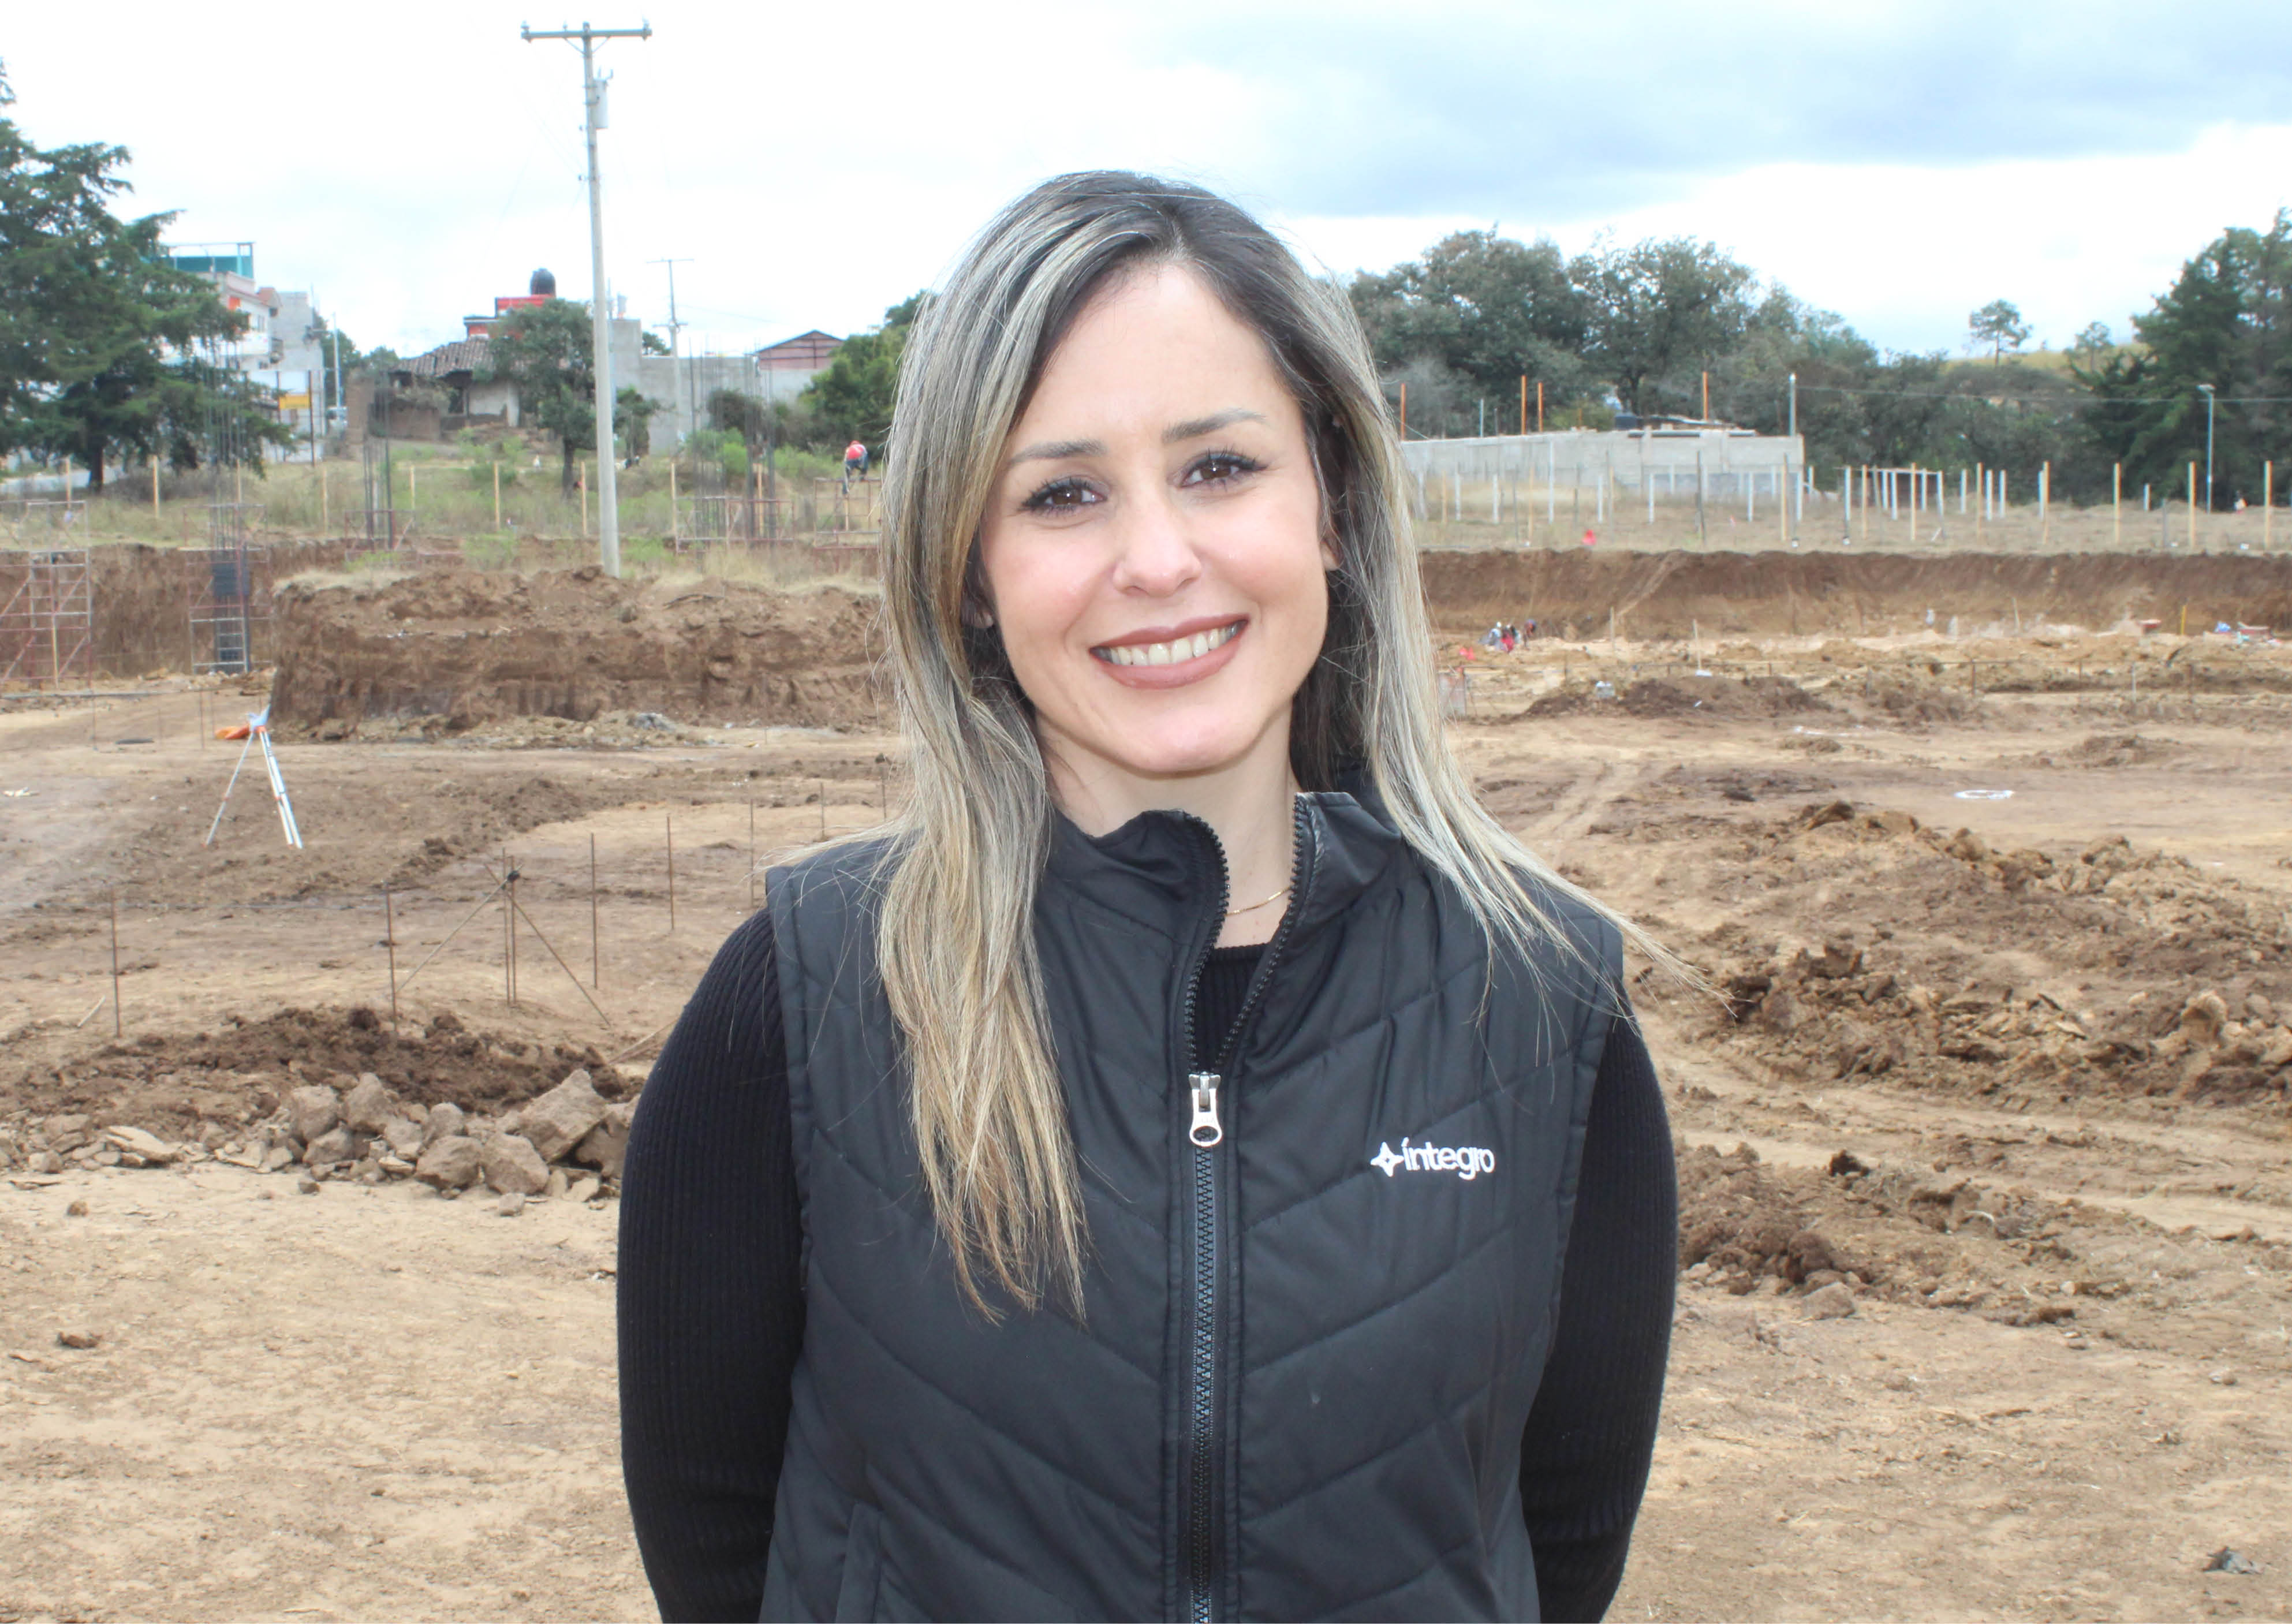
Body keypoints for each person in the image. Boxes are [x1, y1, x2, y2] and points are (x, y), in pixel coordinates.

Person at [618, 173, 1677, 1623]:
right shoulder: (804, 998)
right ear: (969, 574)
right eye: (1062, 495)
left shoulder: (1539, 1003)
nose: (1158, 561)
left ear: (1333, 508)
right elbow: (716, 1543)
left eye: (1220, 468)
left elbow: (1554, 1546)